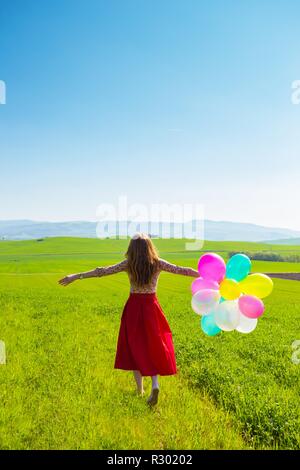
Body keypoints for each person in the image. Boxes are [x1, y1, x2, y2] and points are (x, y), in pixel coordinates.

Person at [59, 233, 199, 406]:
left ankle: (140, 391)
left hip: (133, 307)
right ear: (149, 247)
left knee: (134, 346)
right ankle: (154, 384)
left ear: (132, 248)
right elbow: (182, 270)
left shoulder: (128, 264)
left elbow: (102, 271)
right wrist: (204, 275)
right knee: (153, 345)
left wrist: (76, 276)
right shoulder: (158, 263)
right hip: (151, 307)